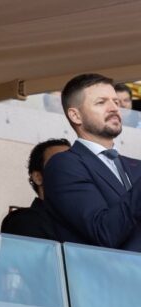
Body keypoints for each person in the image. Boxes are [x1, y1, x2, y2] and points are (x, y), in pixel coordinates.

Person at [45, 73, 141, 251]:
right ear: (76, 116)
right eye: (101, 102)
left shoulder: (136, 167)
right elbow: (103, 232)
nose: (114, 108)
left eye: (116, 102)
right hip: (107, 277)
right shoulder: (64, 165)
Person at [1, 138, 70, 241]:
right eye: (61, 164)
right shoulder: (24, 221)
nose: (72, 172)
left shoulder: (89, 223)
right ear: (38, 177)